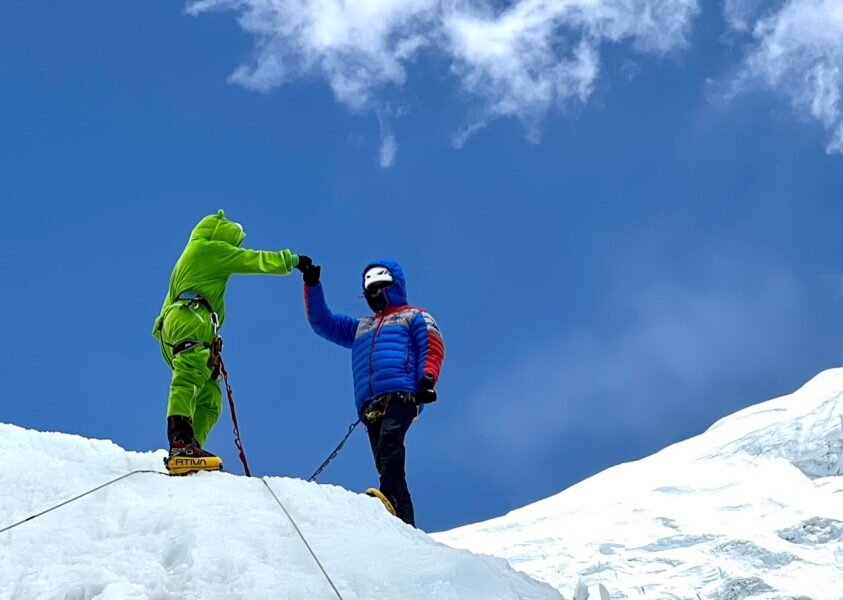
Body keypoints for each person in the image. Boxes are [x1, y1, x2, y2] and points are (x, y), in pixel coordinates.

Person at [297, 256, 444, 526]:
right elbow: (324, 322)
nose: (374, 294)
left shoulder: (414, 316)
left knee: (390, 441)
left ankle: (389, 497)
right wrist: (312, 283)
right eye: (370, 290)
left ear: (393, 285)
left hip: (403, 394)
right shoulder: (361, 327)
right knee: (386, 458)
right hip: (371, 404)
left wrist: (427, 380)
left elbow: (431, 345)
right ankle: (402, 520)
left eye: (379, 287)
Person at [153, 210, 300, 475]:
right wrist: (292, 260)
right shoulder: (210, 249)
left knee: (210, 394)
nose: (234, 247)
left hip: (176, 325)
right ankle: (180, 443)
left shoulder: (190, 257)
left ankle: (191, 446)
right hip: (190, 319)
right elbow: (254, 260)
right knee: (189, 377)